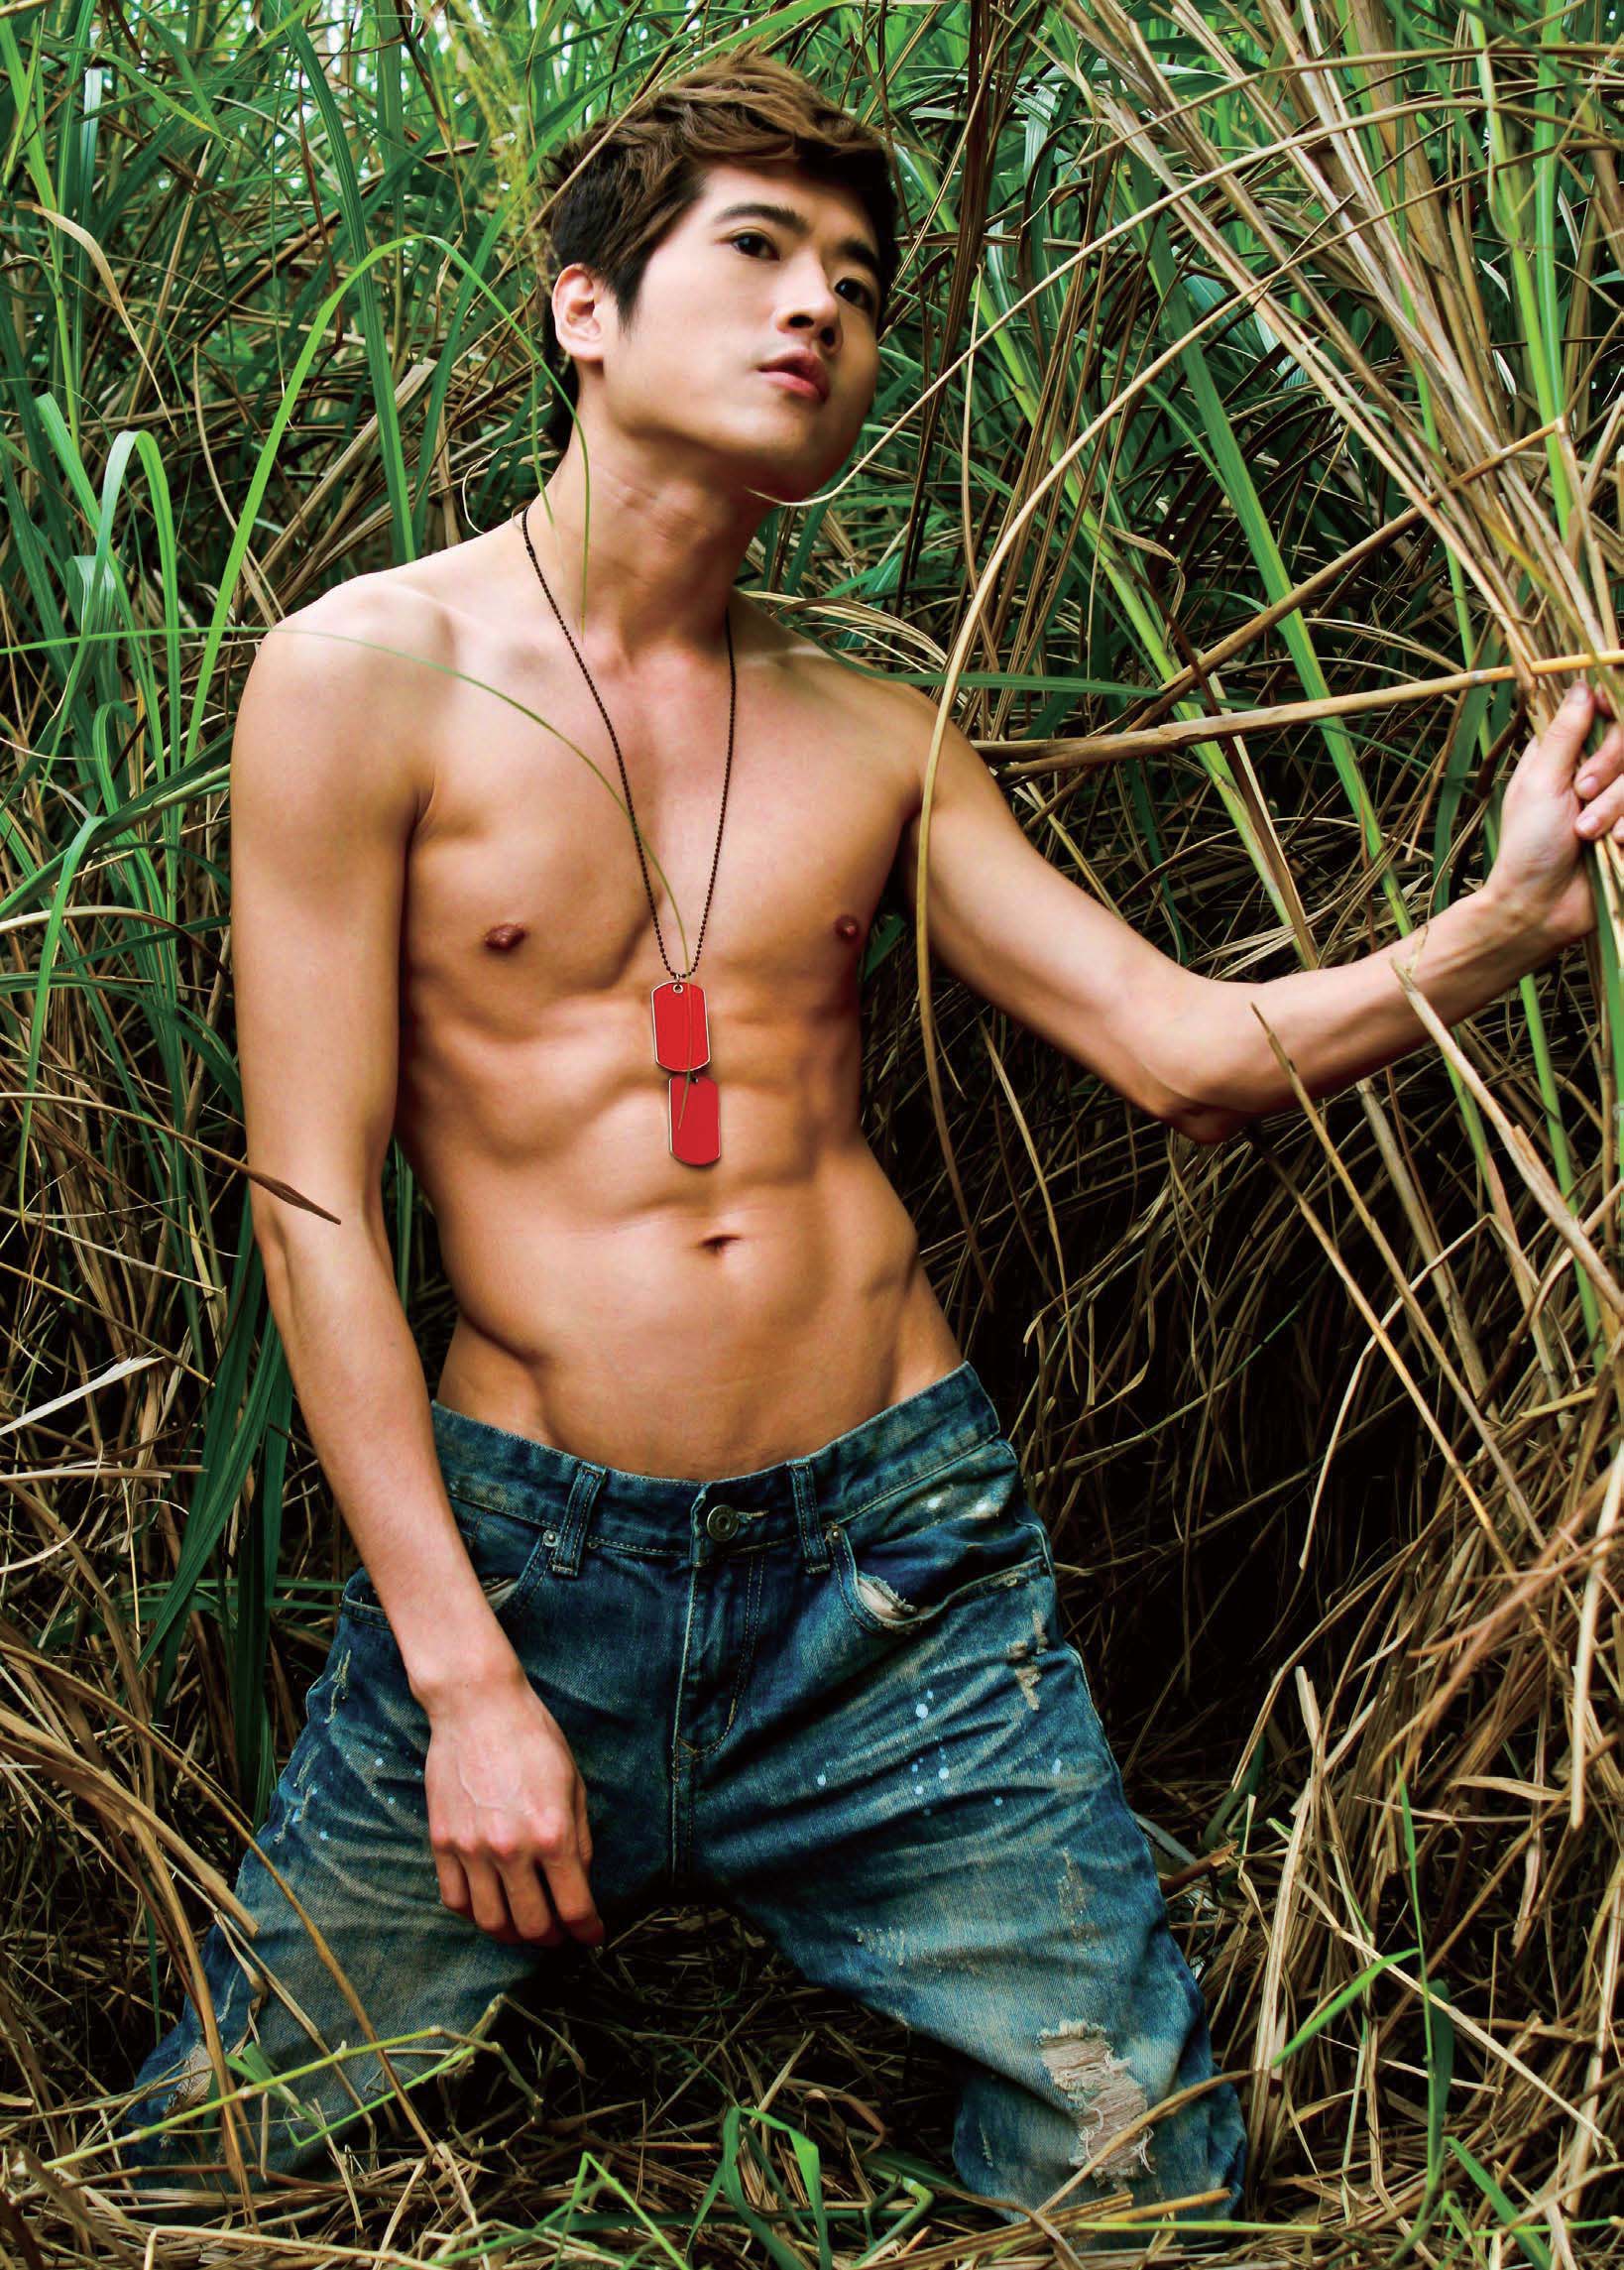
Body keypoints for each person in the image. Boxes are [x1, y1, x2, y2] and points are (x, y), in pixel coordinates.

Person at [110, 46, 1620, 2244]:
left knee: (1147, 2180)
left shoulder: (875, 736)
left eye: (858, 278)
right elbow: (313, 1196)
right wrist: (461, 1677)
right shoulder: (367, 677)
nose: (821, 302)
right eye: (756, 247)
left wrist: (1495, 928)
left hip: (891, 1571)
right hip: (529, 1567)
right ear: (585, 306)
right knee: (194, 2170)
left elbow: (1179, 1051)